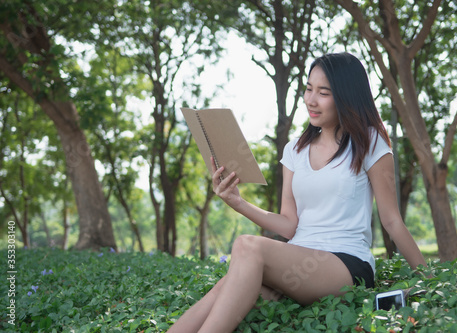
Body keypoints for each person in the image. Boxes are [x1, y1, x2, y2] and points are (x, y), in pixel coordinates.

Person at [168, 52, 426, 333]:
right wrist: (237, 202)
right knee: (225, 287)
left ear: (346, 96)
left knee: (246, 245)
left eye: (323, 93)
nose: (311, 100)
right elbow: (290, 224)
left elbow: (391, 221)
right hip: (298, 263)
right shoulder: (295, 150)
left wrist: (427, 279)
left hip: (346, 264)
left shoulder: (369, 141)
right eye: (308, 88)